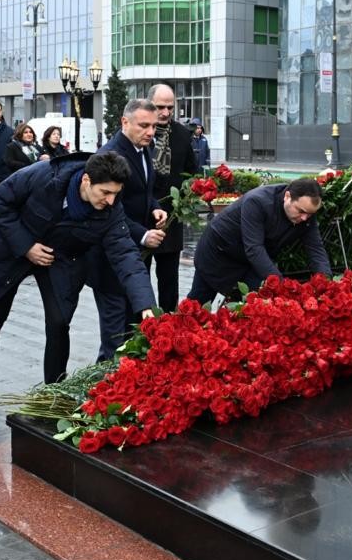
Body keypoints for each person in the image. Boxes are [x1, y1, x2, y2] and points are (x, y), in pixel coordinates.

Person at [0, 152, 157, 411]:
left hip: (62, 257)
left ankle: (53, 391)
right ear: (86, 180)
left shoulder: (111, 211)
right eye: (105, 193)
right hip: (16, 248)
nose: (111, 201)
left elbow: (126, 256)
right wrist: (26, 246)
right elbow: (0, 199)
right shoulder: (45, 175)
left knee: (58, 323)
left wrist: (145, 305)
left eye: (115, 193)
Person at [92, 99, 166, 359]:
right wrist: (143, 235)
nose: (150, 132)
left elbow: (144, 191)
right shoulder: (110, 156)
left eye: (153, 126)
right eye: (144, 125)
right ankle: (104, 385)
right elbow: (110, 211)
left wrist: (155, 206)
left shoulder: (143, 147)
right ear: (125, 122)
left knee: (132, 323)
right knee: (115, 331)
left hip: (136, 255)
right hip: (112, 256)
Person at [188, 178, 331, 305]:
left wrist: (326, 284)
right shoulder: (257, 201)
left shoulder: (305, 214)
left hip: (251, 263)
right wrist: (282, 287)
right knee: (198, 305)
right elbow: (254, 248)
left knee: (248, 310)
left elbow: (316, 249)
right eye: (301, 211)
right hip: (219, 253)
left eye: (310, 214)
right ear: (287, 197)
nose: (305, 218)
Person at [145, 84, 200, 313]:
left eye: (170, 107)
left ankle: (167, 323)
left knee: (169, 279)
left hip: (171, 219)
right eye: (160, 107)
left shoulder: (181, 134)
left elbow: (191, 172)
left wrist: (186, 198)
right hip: (141, 217)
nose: (166, 112)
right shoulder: (140, 132)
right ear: (149, 105)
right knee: (139, 276)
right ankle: (141, 323)